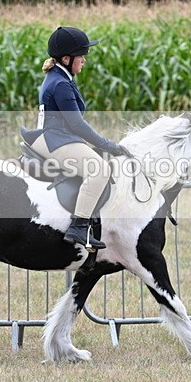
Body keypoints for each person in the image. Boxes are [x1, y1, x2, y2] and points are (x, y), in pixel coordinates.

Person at [22, 26, 131, 250]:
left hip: (55, 136)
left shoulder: (59, 77)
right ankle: (79, 226)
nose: (84, 60)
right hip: (55, 138)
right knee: (99, 170)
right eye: (81, 56)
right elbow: (77, 124)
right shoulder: (61, 84)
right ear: (66, 58)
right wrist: (108, 145)